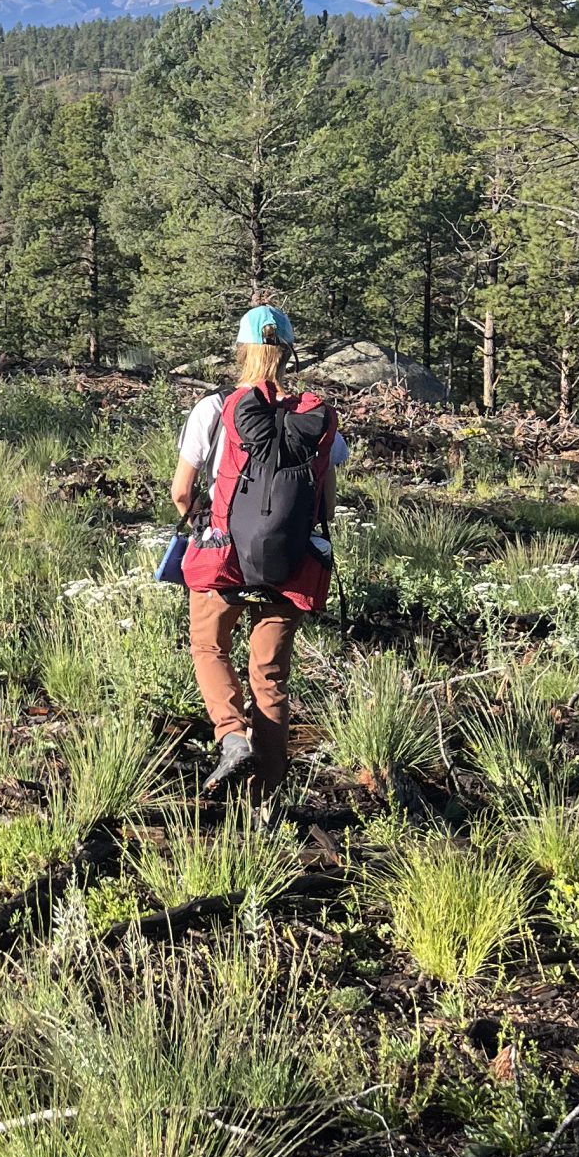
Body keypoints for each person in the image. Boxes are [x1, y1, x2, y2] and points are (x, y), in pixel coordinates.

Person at [169, 305, 347, 796]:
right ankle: (266, 802)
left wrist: (208, 521)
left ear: (242, 349)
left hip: (222, 557)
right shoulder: (314, 415)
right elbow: (326, 501)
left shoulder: (215, 407)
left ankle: (230, 736)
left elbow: (181, 491)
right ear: (288, 352)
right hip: (289, 563)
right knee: (269, 677)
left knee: (209, 647)